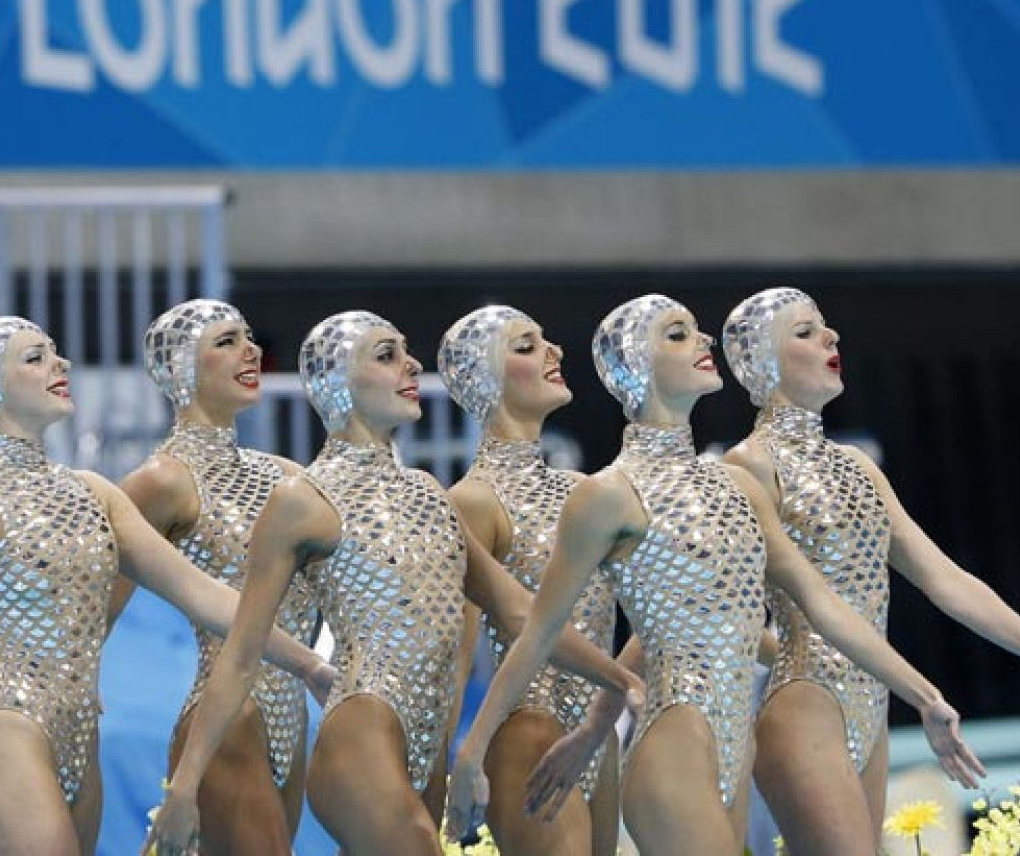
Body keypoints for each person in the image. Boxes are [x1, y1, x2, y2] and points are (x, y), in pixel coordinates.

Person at [446, 295, 985, 855]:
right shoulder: (596, 493)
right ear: (636, 365)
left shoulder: (725, 488)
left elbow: (775, 612)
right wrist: (464, 753)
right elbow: (528, 628)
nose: (704, 343)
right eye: (679, 335)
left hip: (698, 739)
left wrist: (918, 693)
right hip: (630, 733)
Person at [0, 317, 335, 855]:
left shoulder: (94, 493)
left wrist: (308, 663)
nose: (62, 364)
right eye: (36, 357)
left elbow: (201, 594)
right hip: (4, 730)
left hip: (79, 736)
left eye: (56, 352)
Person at [149, 310, 641, 856]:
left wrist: (620, 682)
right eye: (386, 356)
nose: (411, 364)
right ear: (338, 382)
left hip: (424, 745)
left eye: (406, 352)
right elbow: (240, 654)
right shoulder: (301, 500)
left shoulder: (430, 494)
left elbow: (523, 612)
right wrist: (185, 787)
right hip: (361, 727)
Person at [720, 287, 1020, 853]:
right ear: (759, 362)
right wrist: (925, 694)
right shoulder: (745, 466)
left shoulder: (856, 466)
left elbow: (946, 579)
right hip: (806, 703)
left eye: (826, 326)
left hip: (870, 703)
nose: (831, 337)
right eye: (806, 332)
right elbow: (811, 602)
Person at [108, 300, 318, 853]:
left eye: (248, 338)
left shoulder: (286, 476)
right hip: (226, 719)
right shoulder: (163, 482)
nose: (249, 350)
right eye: (226, 342)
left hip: (290, 716)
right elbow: (95, 609)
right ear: (181, 369)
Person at [438, 305, 621, 856]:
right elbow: (458, 653)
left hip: (596, 735)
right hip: (526, 729)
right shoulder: (473, 500)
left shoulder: (583, 490)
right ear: (485, 379)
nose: (554, 352)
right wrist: (452, 767)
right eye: (526, 346)